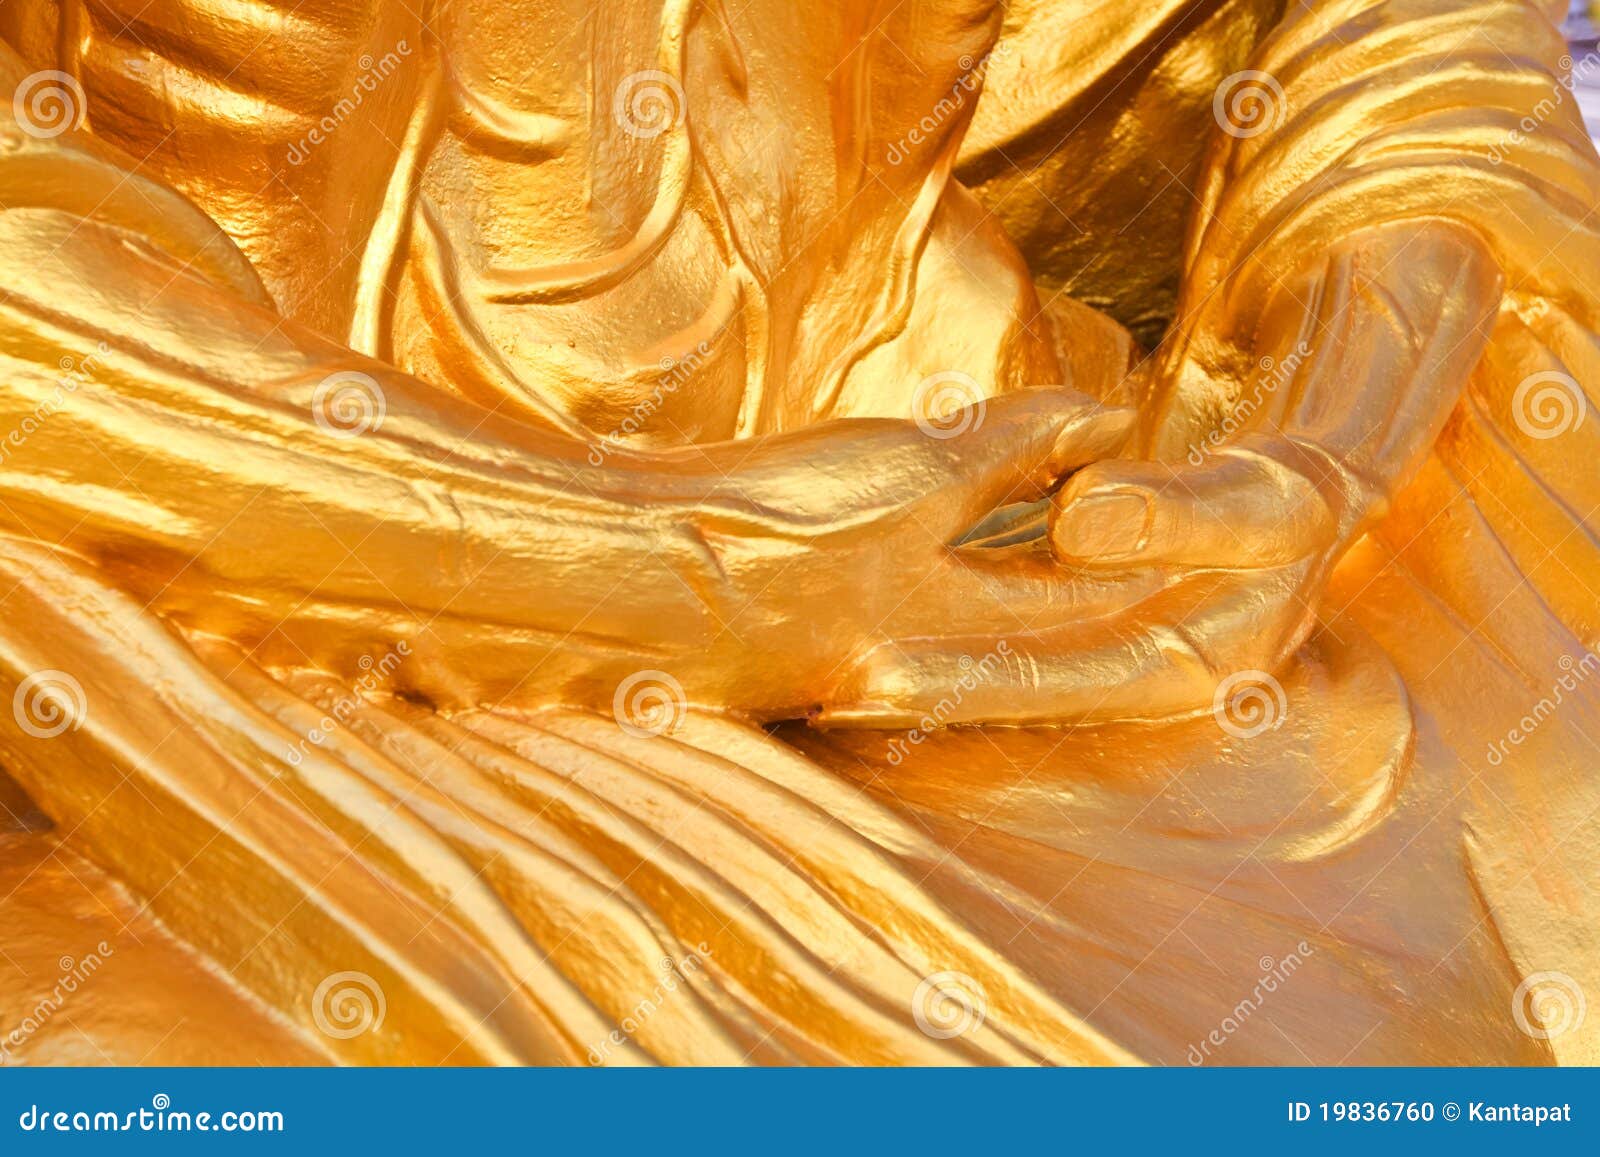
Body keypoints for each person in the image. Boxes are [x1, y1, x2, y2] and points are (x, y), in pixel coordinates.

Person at [0, 0, 1593, 1064]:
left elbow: (1386, 39)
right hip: (206, 579)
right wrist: (637, 567)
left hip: (1011, 550)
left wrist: (1322, 412)